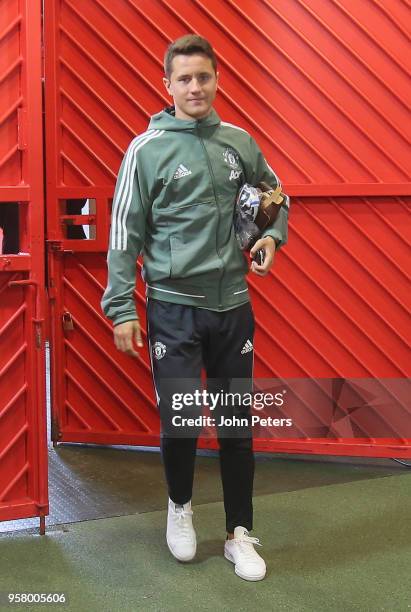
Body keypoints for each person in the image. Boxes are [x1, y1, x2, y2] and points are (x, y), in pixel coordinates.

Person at [101, 34, 290, 582]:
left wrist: (269, 238)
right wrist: (121, 309)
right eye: (184, 79)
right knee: (182, 420)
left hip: (233, 306)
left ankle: (239, 533)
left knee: (235, 424)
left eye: (203, 77)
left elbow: (273, 193)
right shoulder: (147, 148)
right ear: (168, 86)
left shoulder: (239, 141)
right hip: (172, 309)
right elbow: (123, 233)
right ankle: (179, 507)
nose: (195, 87)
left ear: (216, 79)